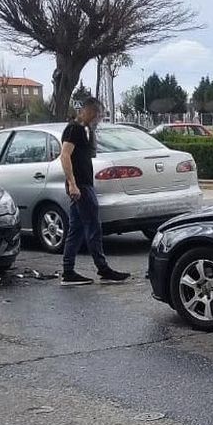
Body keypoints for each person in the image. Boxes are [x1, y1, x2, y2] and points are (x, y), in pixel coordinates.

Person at [60, 98, 130, 287]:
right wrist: (72, 184)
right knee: (93, 227)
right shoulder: (73, 129)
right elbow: (65, 155)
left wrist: (92, 131)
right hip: (80, 186)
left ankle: (68, 272)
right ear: (88, 112)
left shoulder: (84, 130)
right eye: (98, 115)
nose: (99, 119)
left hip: (83, 185)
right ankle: (103, 269)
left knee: (76, 229)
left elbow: (90, 153)